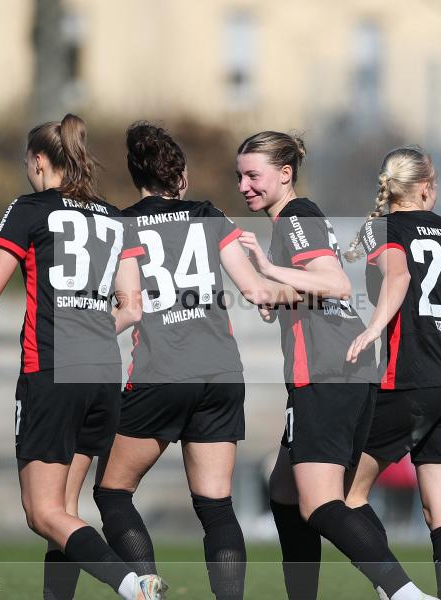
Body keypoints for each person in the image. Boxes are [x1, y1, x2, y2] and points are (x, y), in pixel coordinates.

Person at [0, 114, 166, 600]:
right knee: (66, 514)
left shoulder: (29, 209)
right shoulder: (116, 217)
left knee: (42, 514)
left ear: (38, 162)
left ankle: (130, 583)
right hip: (102, 374)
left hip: (51, 372)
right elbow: (133, 306)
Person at [93, 122, 299, 600]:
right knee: (216, 506)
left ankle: (145, 591)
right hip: (222, 375)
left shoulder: (123, 225)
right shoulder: (209, 215)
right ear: (180, 177)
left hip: (162, 373)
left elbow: (129, 307)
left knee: (112, 491)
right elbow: (254, 289)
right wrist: (316, 293)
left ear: (136, 177)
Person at [235, 131, 436, 600]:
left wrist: (268, 269)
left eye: (253, 175)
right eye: (239, 175)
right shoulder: (294, 218)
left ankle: (403, 593)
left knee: (320, 502)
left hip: (325, 370)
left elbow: (335, 283)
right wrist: (282, 296)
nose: (244, 185)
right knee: (285, 490)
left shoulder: (295, 216)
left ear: (285, 174)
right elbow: (316, 288)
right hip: (344, 367)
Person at [343, 145, 441, 600]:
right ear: (426, 187)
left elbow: (398, 279)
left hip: (408, 380)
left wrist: (372, 330)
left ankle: (397, 590)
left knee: (340, 494)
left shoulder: (382, 229)